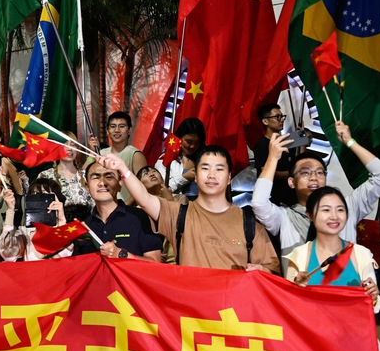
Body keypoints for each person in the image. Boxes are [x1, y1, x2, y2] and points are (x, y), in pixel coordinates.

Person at [107, 147, 280, 272]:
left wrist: (261, 271)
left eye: (219, 169)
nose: (211, 175)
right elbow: (144, 199)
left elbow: (271, 269)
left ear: (228, 178)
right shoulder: (179, 214)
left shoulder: (247, 222)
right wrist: (123, 168)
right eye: (205, 168)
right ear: (195, 176)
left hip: (232, 316)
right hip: (189, 316)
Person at [252, 121, 380, 273]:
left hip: (344, 291)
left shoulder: (347, 208)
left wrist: (349, 141)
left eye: (320, 172)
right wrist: (273, 158)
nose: (314, 177)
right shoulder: (284, 217)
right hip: (300, 293)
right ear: (291, 182)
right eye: (305, 173)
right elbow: (258, 202)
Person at [73, 161, 161, 261]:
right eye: (96, 177)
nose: (102, 183)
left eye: (109, 177)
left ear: (120, 185)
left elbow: (155, 263)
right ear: (87, 186)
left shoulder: (140, 217)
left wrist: (121, 254)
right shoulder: (83, 227)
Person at [89, 112, 147, 204]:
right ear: (107, 131)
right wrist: (91, 153)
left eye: (122, 126)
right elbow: (84, 177)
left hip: (128, 210)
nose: (117, 130)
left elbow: (144, 185)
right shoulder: (102, 153)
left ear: (129, 130)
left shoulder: (135, 154)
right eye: (112, 126)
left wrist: (124, 206)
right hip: (104, 207)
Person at [37, 133, 93, 216]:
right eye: (64, 145)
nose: (69, 148)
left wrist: (92, 153)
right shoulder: (46, 176)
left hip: (86, 225)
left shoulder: (86, 175)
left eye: (73, 145)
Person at [252, 103, 297, 206]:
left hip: (291, 197)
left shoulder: (286, 141)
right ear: (265, 121)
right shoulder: (262, 144)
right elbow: (266, 172)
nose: (281, 120)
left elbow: (297, 160)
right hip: (274, 199)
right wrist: (291, 173)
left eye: (282, 116)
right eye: (277, 117)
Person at [155, 117, 205, 199]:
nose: (193, 146)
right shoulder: (167, 159)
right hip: (176, 207)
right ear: (179, 138)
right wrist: (184, 177)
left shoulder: (204, 158)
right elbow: (160, 189)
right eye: (188, 142)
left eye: (197, 142)